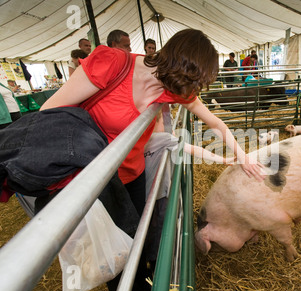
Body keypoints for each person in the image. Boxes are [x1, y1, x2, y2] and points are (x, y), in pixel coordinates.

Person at [41, 28, 264, 218]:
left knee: (134, 235)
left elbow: (215, 123)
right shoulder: (112, 62)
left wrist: (243, 157)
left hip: (132, 173)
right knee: (104, 256)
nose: (194, 91)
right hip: (90, 176)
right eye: (195, 82)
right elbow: (50, 112)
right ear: (182, 68)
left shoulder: (176, 88)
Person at [143, 109, 235, 276]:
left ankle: (148, 265)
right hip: (158, 196)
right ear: (155, 123)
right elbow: (193, 150)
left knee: (145, 231)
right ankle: (161, 269)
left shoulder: (133, 141)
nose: (169, 127)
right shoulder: (163, 139)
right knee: (160, 231)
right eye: (165, 121)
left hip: (140, 195)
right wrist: (222, 159)